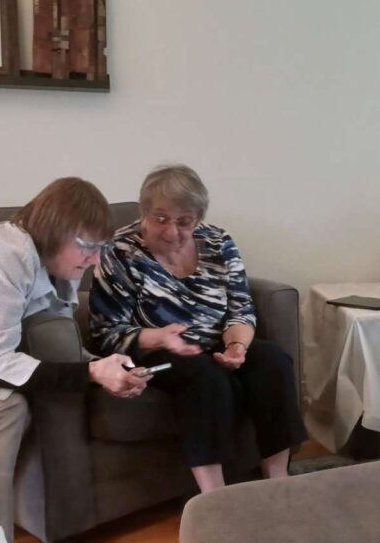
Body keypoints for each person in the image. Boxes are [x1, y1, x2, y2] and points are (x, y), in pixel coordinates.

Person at [0, 178, 150, 542]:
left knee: (11, 404)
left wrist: (104, 367)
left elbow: (58, 349)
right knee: (0, 410)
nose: (96, 259)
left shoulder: (53, 269)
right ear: (54, 231)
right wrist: (91, 372)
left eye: (101, 247)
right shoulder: (2, 253)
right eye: (87, 246)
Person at [89, 164, 307, 492]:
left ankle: (278, 481)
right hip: (154, 349)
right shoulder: (119, 251)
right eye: (161, 218)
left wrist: (236, 347)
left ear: (198, 219)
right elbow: (105, 333)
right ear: (144, 211)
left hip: (216, 342)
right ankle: (214, 496)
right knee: (204, 375)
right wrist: (159, 337)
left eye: (184, 221)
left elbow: (241, 309)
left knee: (273, 360)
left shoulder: (218, 242)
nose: (172, 231)